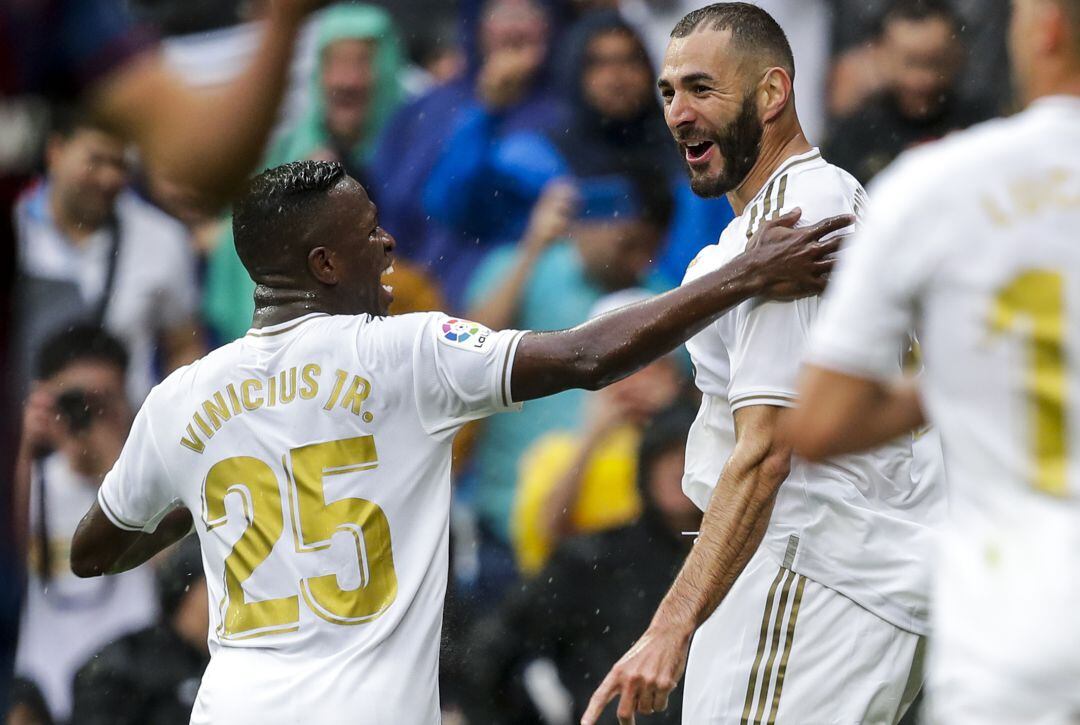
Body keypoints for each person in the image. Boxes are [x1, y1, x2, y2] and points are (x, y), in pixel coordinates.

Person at [66, 159, 847, 723]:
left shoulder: (182, 400)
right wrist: (741, 274)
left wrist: (202, 500)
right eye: (370, 233)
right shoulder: (403, 353)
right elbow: (587, 355)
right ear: (324, 262)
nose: (388, 248)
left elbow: (94, 549)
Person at [583, 5, 942, 724]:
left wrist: (671, 622)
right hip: (849, 577)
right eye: (667, 93)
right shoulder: (784, 224)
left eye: (701, 89)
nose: (678, 114)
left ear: (773, 93)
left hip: (811, 570)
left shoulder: (796, 216)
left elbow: (768, 450)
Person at [790, 0, 1080, 721]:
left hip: (1021, 631)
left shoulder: (939, 183)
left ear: (1043, 31)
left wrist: (965, 365)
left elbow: (820, 423)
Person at [461, 174, 673, 598]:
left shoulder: (662, 298)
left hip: (608, 541)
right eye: (628, 243)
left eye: (651, 249)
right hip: (504, 522)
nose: (640, 263)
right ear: (587, 225)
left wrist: (672, 403)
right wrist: (532, 248)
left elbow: (691, 409)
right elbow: (464, 357)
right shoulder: (524, 268)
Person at [421, 10, 733, 292]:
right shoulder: (537, 159)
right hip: (568, 334)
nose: (617, 77)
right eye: (599, 63)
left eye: (630, 61)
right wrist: (487, 110)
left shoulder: (691, 155)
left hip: (683, 331)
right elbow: (448, 203)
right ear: (573, 71)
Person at [467, 404, 702, 724]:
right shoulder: (595, 559)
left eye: (691, 456)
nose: (679, 469)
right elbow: (489, 654)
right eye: (668, 455)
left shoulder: (749, 563)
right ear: (647, 463)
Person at [203, 2, 409, 343]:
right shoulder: (287, 150)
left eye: (362, 62)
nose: (347, 80)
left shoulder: (417, 144)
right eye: (336, 63)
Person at [368, 0, 565, 303]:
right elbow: (431, 201)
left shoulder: (573, 105)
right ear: (477, 26)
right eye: (504, 15)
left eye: (529, 14)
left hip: (539, 284)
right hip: (433, 283)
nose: (515, 28)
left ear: (550, 25)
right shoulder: (429, 108)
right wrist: (487, 109)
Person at [13, 327, 158, 722]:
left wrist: (118, 468)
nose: (89, 416)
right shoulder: (32, 480)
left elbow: (175, 575)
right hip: (43, 692)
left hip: (132, 692)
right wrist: (23, 444)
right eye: (77, 401)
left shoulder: (149, 479)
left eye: (105, 403)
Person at [12, 108, 203, 403]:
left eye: (120, 164)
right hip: (22, 435)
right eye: (95, 161)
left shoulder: (162, 238)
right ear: (56, 152)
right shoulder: (14, 228)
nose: (108, 178)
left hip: (123, 436)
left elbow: (183, 346)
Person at [512, 289, 685, 576]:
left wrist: (675, 414)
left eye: (650, 366)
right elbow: (547, 536)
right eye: (623, 366)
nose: (635, 380)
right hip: (587, 600)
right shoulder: (554, 452)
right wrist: (594, 437)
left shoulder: (696, 443)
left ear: (672, 376)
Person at [825, 0, 996, 185]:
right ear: (879, 55)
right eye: (910, 63)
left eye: (934, 63)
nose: (921, 80)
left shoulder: (984, 128)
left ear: (957, 55)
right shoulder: (854, 137)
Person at [72, 537, 209, 725]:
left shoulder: (225, 660)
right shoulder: (126, 662)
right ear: (186, 595)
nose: (224, 604)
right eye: (212, 589)